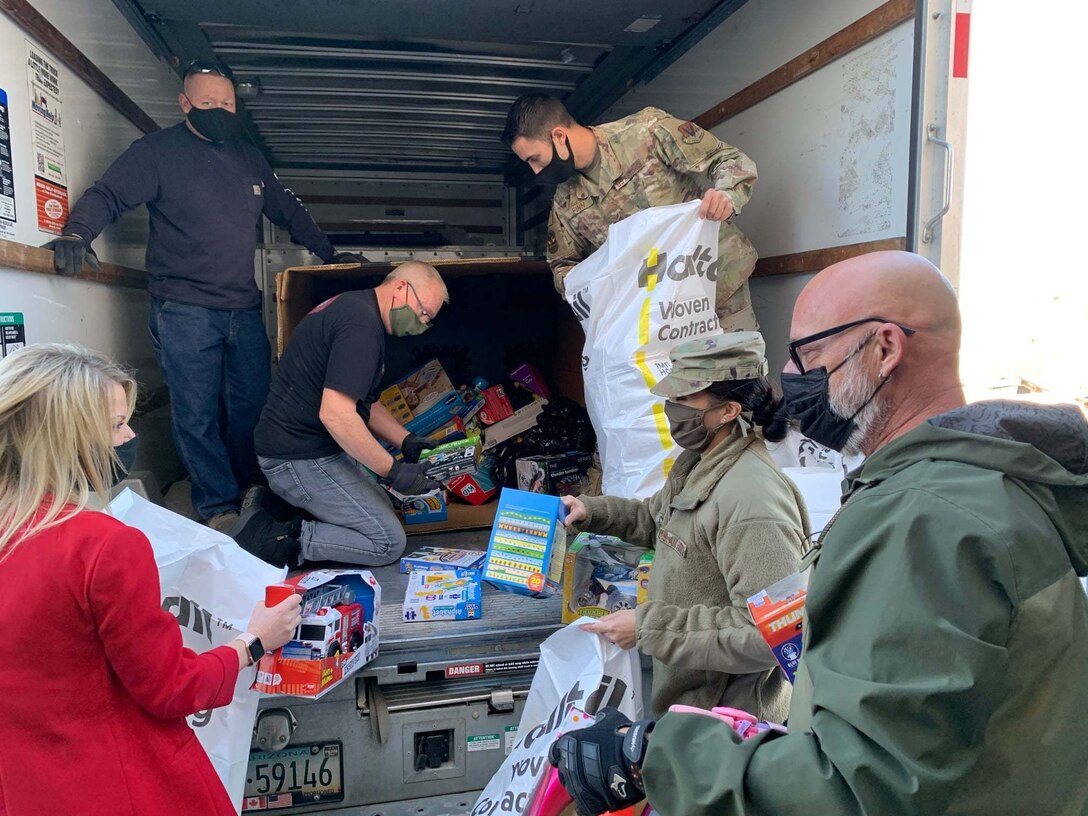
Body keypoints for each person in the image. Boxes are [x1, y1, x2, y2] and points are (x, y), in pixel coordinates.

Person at [549, 251, 1088, 816]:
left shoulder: (927, 521)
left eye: (809, 353)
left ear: (885, 348)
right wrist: (594, 510)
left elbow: (858, 784)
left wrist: (653, 754)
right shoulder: (934, 494)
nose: (794, 378)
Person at [46, 60, 364, 534]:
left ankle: (250, 488)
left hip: (241, 307)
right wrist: (76, 233)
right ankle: (217, 505)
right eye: (208, 102)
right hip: (184, 308)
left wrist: (331, 253)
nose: (220, 110)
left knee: (252, 408)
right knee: (195, 412)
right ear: (184, 102)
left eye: (228, 103)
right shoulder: (156, 152)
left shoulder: (248, 157)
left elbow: (287, 210)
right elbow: (108, 194)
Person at [0, 343, 303, 816]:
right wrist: (254, 642)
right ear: (70, 438)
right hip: (120, 786)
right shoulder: (106, 546)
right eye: (118, 425)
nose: (131, 434)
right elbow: (170, 688)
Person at [562, 331, 808, 720]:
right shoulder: (700, 459)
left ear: (728, 411)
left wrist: (649, 628)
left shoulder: (753, 501)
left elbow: (768, 632)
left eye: (684, 399)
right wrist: (590, 511)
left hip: (730, 729)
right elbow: (657, 520)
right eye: (672, 396)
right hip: (692, 711)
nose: (672, 408)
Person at [245, 262, 449, 567]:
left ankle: (280, 507)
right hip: (296, 456)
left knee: (381, 511)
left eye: (428, 321)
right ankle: (279, 539)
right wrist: (394, 472)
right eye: (423, 313)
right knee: (387, 541)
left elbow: (364, 404)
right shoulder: (360, 327)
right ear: (400, 288)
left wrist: (406, 440)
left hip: (311, 449)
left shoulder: (357, 310)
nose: (421, 324)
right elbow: (337, 415)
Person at [502, 93, 759, 331]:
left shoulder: (645, 132)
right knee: (681, 382)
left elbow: (726, 158)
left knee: (742, 377)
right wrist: (598, 291)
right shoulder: (565, 200)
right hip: (656, 318)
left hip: (717, 286)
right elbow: (563, 266)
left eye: (534, 158)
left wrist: (726, 194)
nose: (536, 171)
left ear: (558, 135)